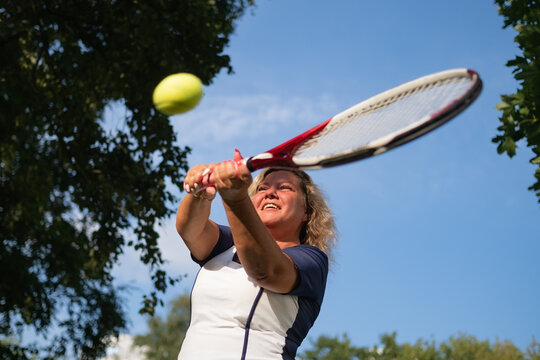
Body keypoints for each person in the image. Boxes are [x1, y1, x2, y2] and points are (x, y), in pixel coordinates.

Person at [176, 149, 337, 360]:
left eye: (285, 188)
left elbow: (266, 271)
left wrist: (235, 199)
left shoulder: (311, 260)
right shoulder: (227, 244)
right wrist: (199, 191)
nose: (270, 193)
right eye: (262, 188)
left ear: (307, 212)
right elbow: (190, 230)